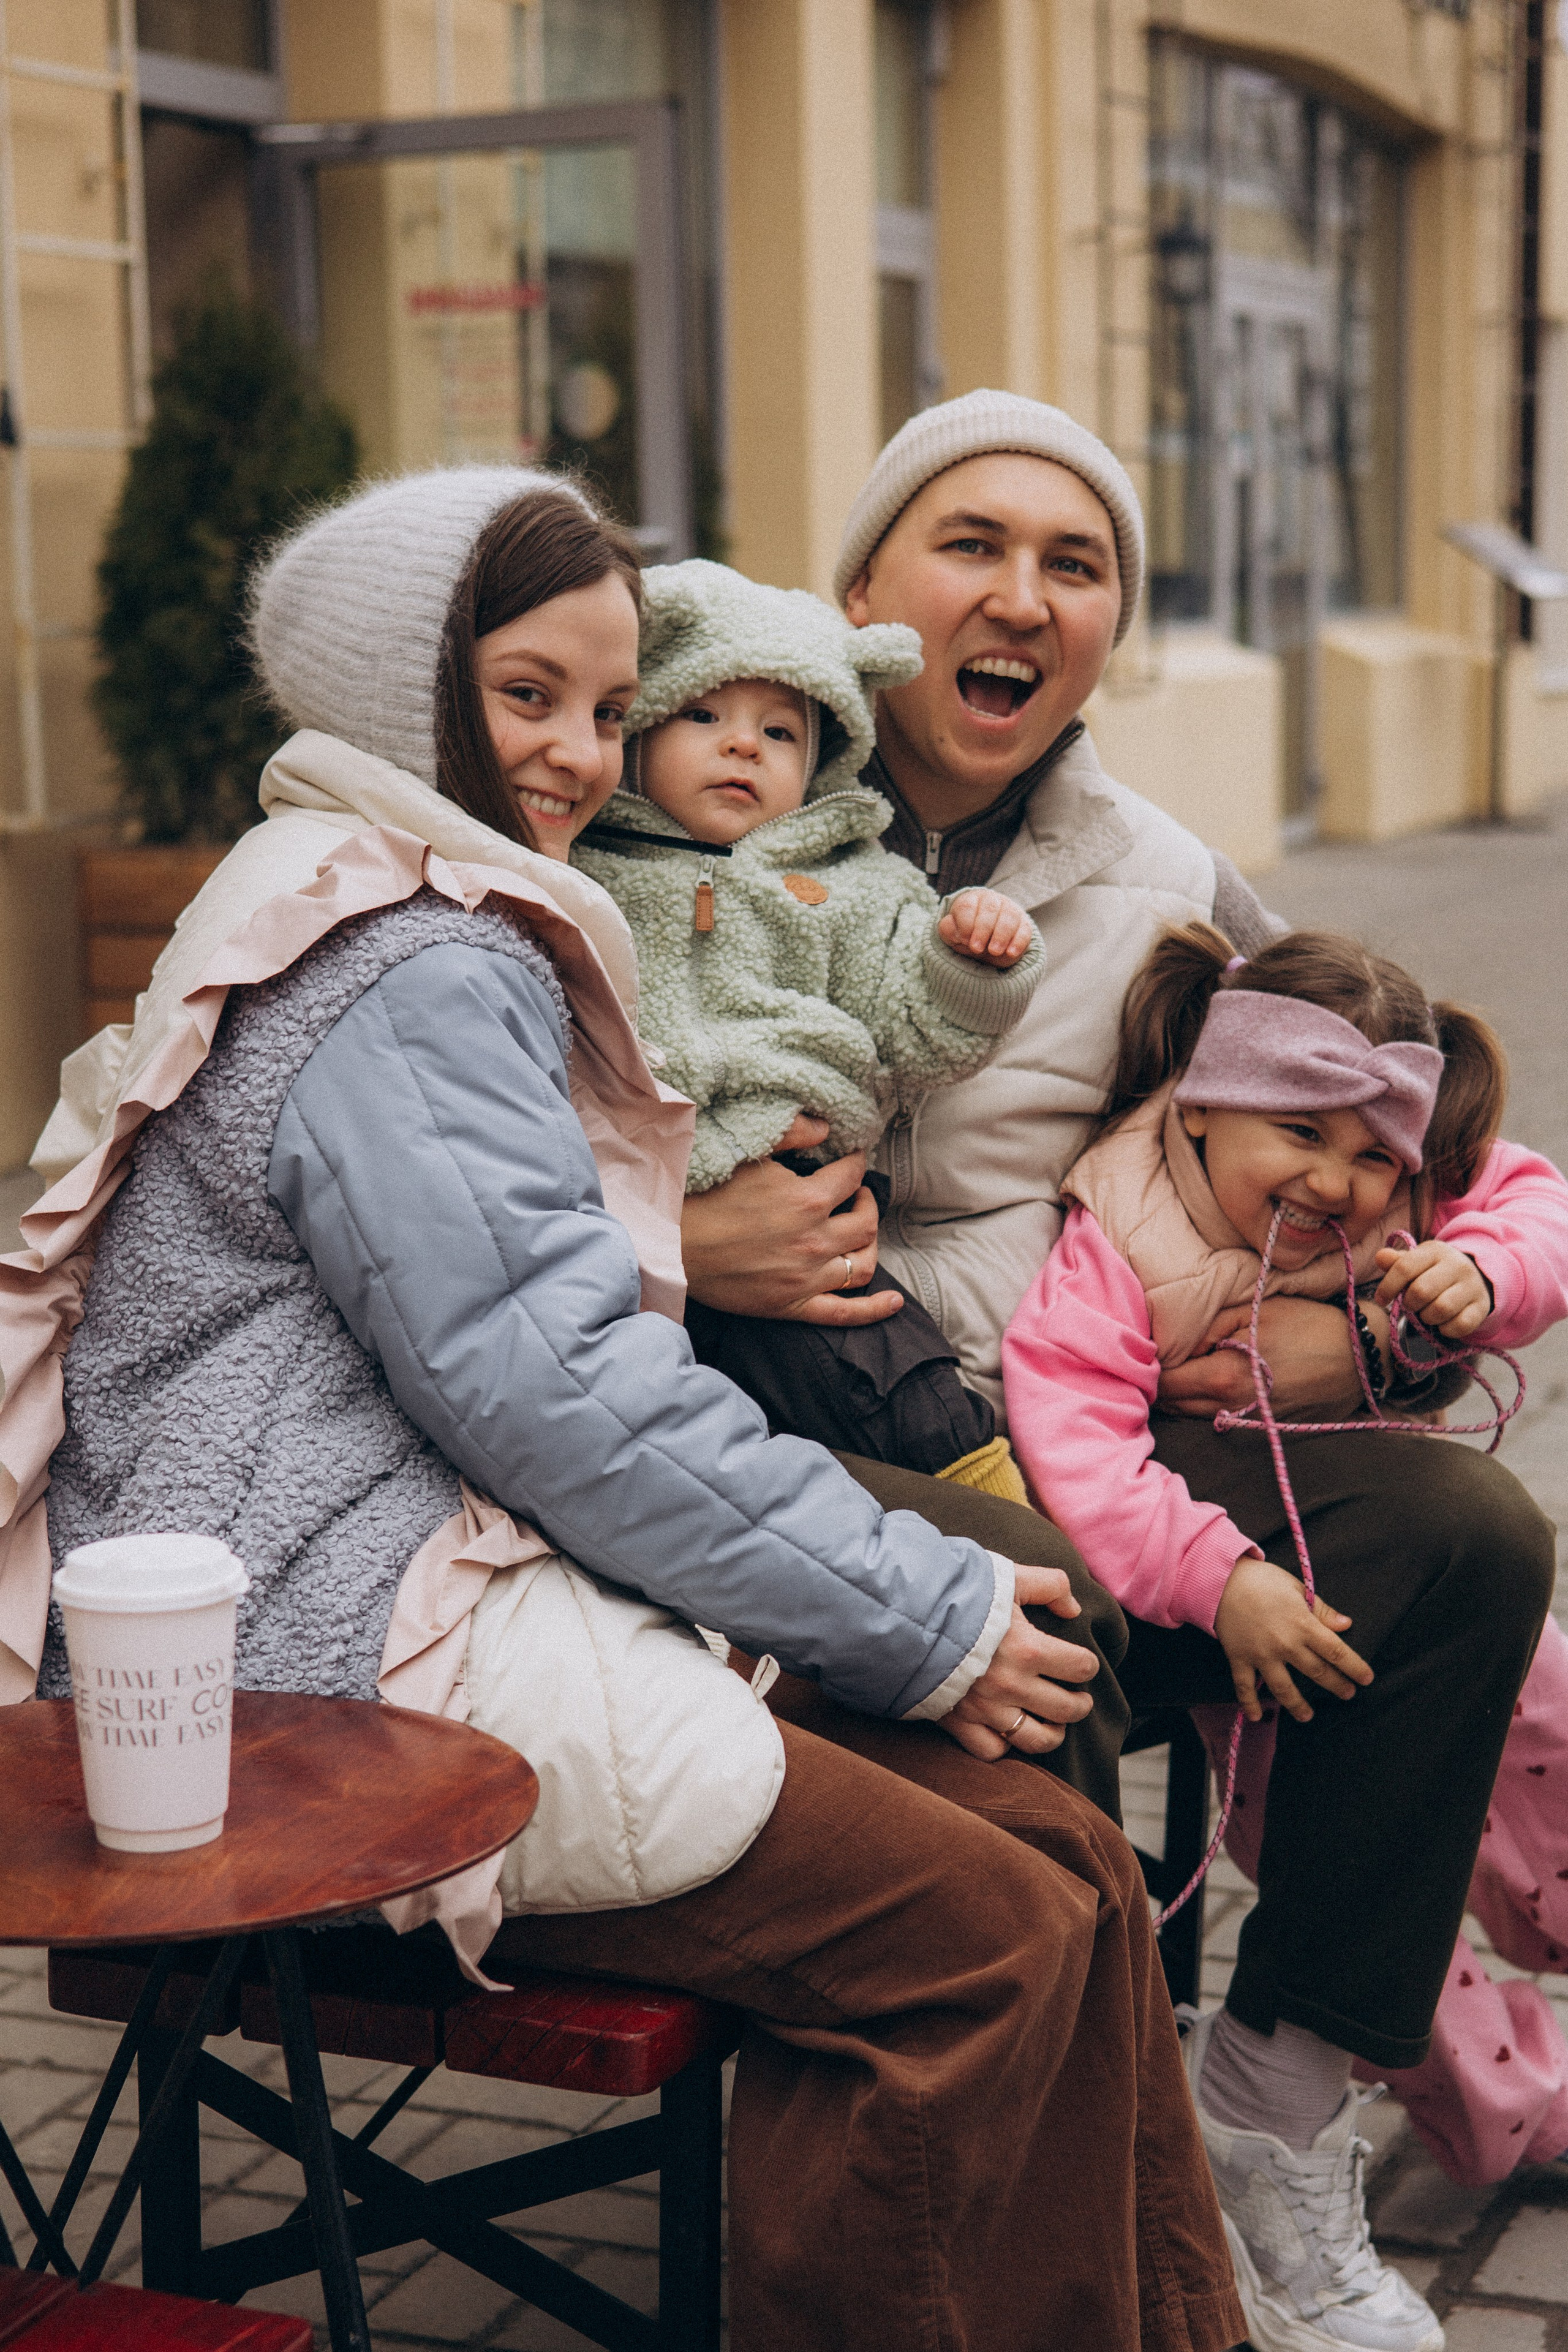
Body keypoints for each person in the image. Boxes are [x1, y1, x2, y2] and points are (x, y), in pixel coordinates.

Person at [1, 466, 1243, 2352]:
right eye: (525, 698)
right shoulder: (408, 961)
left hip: (405, 1585)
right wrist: (918, 1616)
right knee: (981, 1942)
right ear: (400, 692)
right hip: (321, 1669)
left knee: (1063, 1861)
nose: (580, 755)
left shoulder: (417, 900)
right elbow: (561, 1394)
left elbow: (552, 1385)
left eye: (605, 703)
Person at [676, 386, 1558, 2352]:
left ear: (1109, 630)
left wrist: (1453, 1285)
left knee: (1470, 1534)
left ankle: (1277, 2104)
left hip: (1082, 1432)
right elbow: (479, 1164)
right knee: (1017, 1630)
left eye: (1075, 566)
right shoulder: (691, 814)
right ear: (864, 593)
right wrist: (675, 1235)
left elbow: (1421, 1126)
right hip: (748, 1450)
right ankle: (1090, 2222)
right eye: (970, 544)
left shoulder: (1158, 872)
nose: (1022, 596)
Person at [1002, 922, 1568, 2282]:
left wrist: (1477, 1278)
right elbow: (1075, 1456)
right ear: (1200, 1100)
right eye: (1298, 1135)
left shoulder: (1394, 1199)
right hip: (1238, 1579)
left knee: (1538, 1697)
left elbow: (1531, 1200)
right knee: (1357, 1858)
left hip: (1376, 1533)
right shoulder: (1114, 1230)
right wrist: (1221, 1579)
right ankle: (1498, 2108)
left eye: (1376, 1154)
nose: (1337, 1182)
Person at [574, 554, 1041, 1497]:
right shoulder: (587, 869)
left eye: (779, 731)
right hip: (626, 1190)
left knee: (885, 1369)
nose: (742, 746)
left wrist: (969, 964)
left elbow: (920, 1029)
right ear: (637, 730)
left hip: (797, 1182)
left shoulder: (849, 884)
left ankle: (991, 1497)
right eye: (704, 715)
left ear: (823, 758)